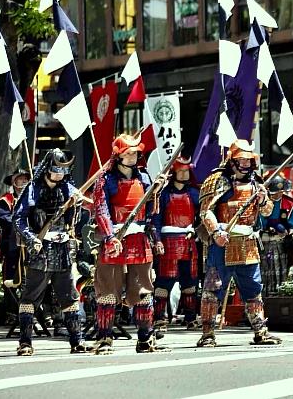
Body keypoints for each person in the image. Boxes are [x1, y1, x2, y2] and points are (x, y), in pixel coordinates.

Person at [197, 139, 281, 348]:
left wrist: (262, 200)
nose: (245, 163)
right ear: (232, 160)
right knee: (213, 288)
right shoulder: (217, 180)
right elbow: (205, 210)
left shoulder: (257, 182)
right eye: (241, 159)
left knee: (253, 288)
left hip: (248, 242)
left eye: (248, 159)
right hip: (223, 241)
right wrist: (216, 231)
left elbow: (268, 211)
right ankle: (208, 333)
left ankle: (260, 331)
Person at [92, 134, 168, 354]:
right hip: (114, 238)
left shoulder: (144, 177)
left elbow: (152, 213)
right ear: (118, 155)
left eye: (135, 152)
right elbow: (101, 210)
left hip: (138, 238)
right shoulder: (105, 180)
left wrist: (157, 192)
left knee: (144, 291)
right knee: (107, 291)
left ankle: (145, 338)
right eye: (128, 153)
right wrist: (109, 236)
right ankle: (104, 339)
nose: (133, 157)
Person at [12, 150, 88, 355]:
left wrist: (78, 204)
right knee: (30, 298)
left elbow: (77, 219)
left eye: (63, 171)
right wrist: (31, 238)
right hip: (41, 248)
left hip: (62, 248)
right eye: (56, 170)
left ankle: (77, 341)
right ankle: (25, 342)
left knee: (69, 296)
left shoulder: (68, 188)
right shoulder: (32, 189)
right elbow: (18, 218)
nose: (59, 174)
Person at [151, 156, 201, 332]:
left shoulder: (195, 193)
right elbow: (156, 220)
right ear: (173, 172)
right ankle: (159, 319)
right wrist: (157, 240)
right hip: (168, 241)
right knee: (165, 281)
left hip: (188, 241)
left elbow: (202, 216)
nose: (184, 173)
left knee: (190, 282)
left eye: (187, 170)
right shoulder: (163, 194)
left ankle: (191, 318)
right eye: (181, 170)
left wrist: (197, 230)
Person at [258, 174, 293, 296]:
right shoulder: (262, 202)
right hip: (264, 242)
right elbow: (260, 223)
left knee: (282, 271)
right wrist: (271, 225)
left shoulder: (289, 203)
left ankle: (281, 296)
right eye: (275, 193)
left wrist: (292, 230)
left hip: (282, 243)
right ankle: (264, 297)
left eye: (281, 192)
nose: (278, 195)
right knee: (265, 270)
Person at [0, 169, 30, 294]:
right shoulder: (5, 200)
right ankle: (11, 309)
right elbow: (5, 219)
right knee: (11, 276)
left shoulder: (33, 198)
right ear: (13, 182)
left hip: (31, 244)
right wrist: (22, 223)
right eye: (21, 178)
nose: (24, 181)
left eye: (26, 178)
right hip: (12, 245)